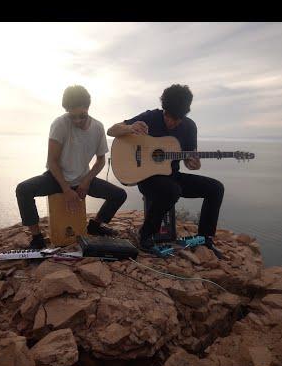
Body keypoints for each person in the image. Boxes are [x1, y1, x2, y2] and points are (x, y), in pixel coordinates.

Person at [106, 84, 225, 258]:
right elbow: (111, 130)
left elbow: (190, 160)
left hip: (172, 175)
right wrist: (129, 128)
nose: (172, 122)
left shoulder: (190, 127)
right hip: (147, 178)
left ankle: (204, 238)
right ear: (164, 109)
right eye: (169, 116)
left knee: (216, 188)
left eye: (178, 118)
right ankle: (145, 235)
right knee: (172, 191)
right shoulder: (150, 117)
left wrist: (194, 163)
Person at [16, 85, 127, 249]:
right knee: (23, 190)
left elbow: (101, 160)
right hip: (57, 178)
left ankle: (95, 226)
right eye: (72, 116)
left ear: (88, 108)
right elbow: (52, 161)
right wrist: (66, 189)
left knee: (119, 195)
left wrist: (86, 181)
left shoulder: (97, 127)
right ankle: (37, 237)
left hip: (82, 179)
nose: (77, 121)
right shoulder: (60, 124)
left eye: (81, 116)